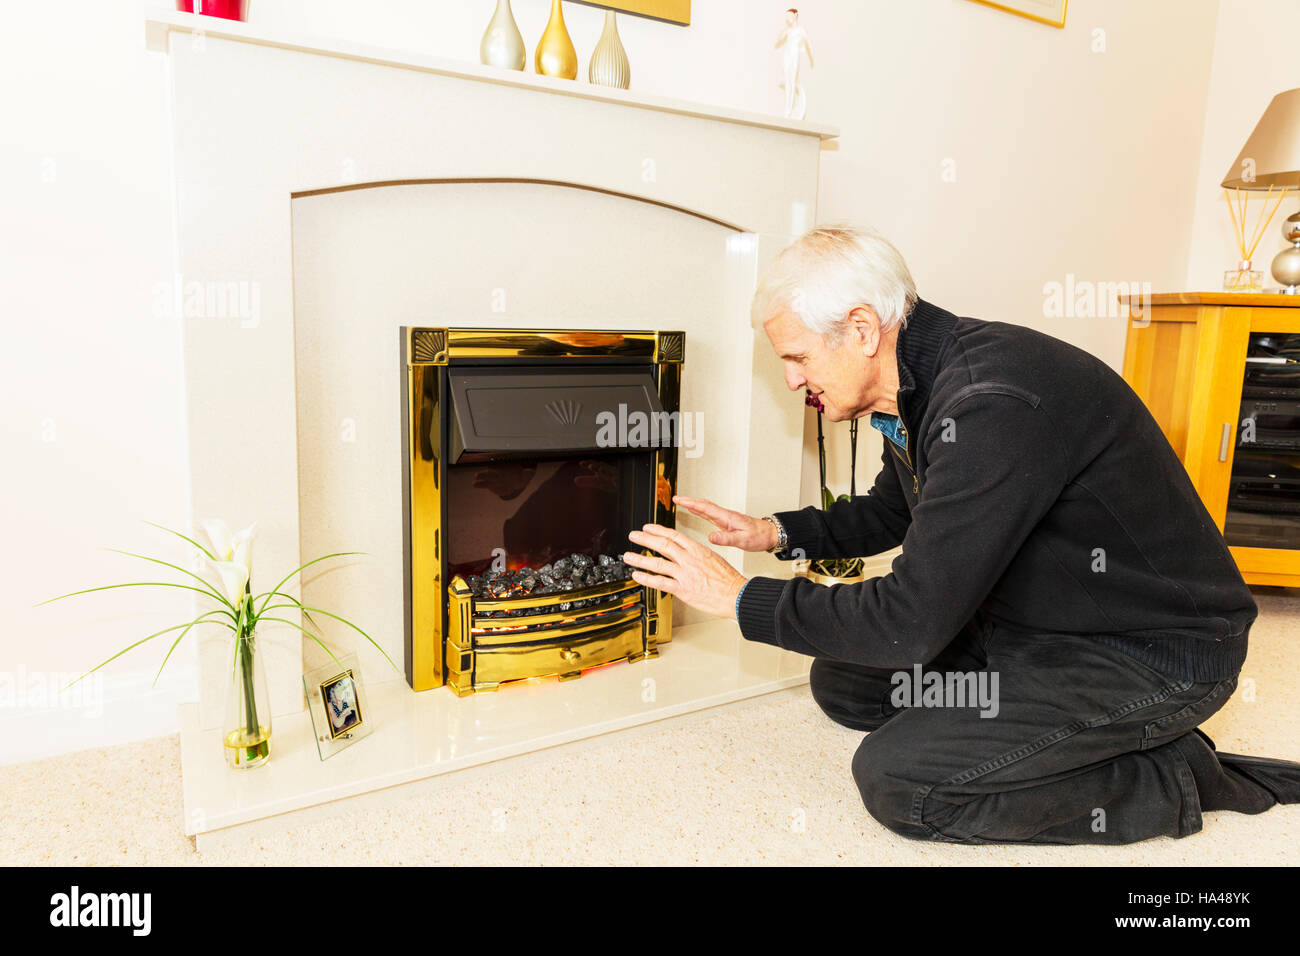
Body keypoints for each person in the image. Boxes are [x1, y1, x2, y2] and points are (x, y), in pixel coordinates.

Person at [622, 224, 1300, 845]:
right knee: (848, 683)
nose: (794, 378)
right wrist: (776, 533)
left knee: (902, 783)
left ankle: (1174, 776)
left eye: (797, 357)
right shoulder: (920, 384)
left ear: (861, 328)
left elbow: (910, 623)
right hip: (1036, 625)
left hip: (1149, 651)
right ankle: (1057, 732)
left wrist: (742, 599)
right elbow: (895, 512)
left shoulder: (989, 404)